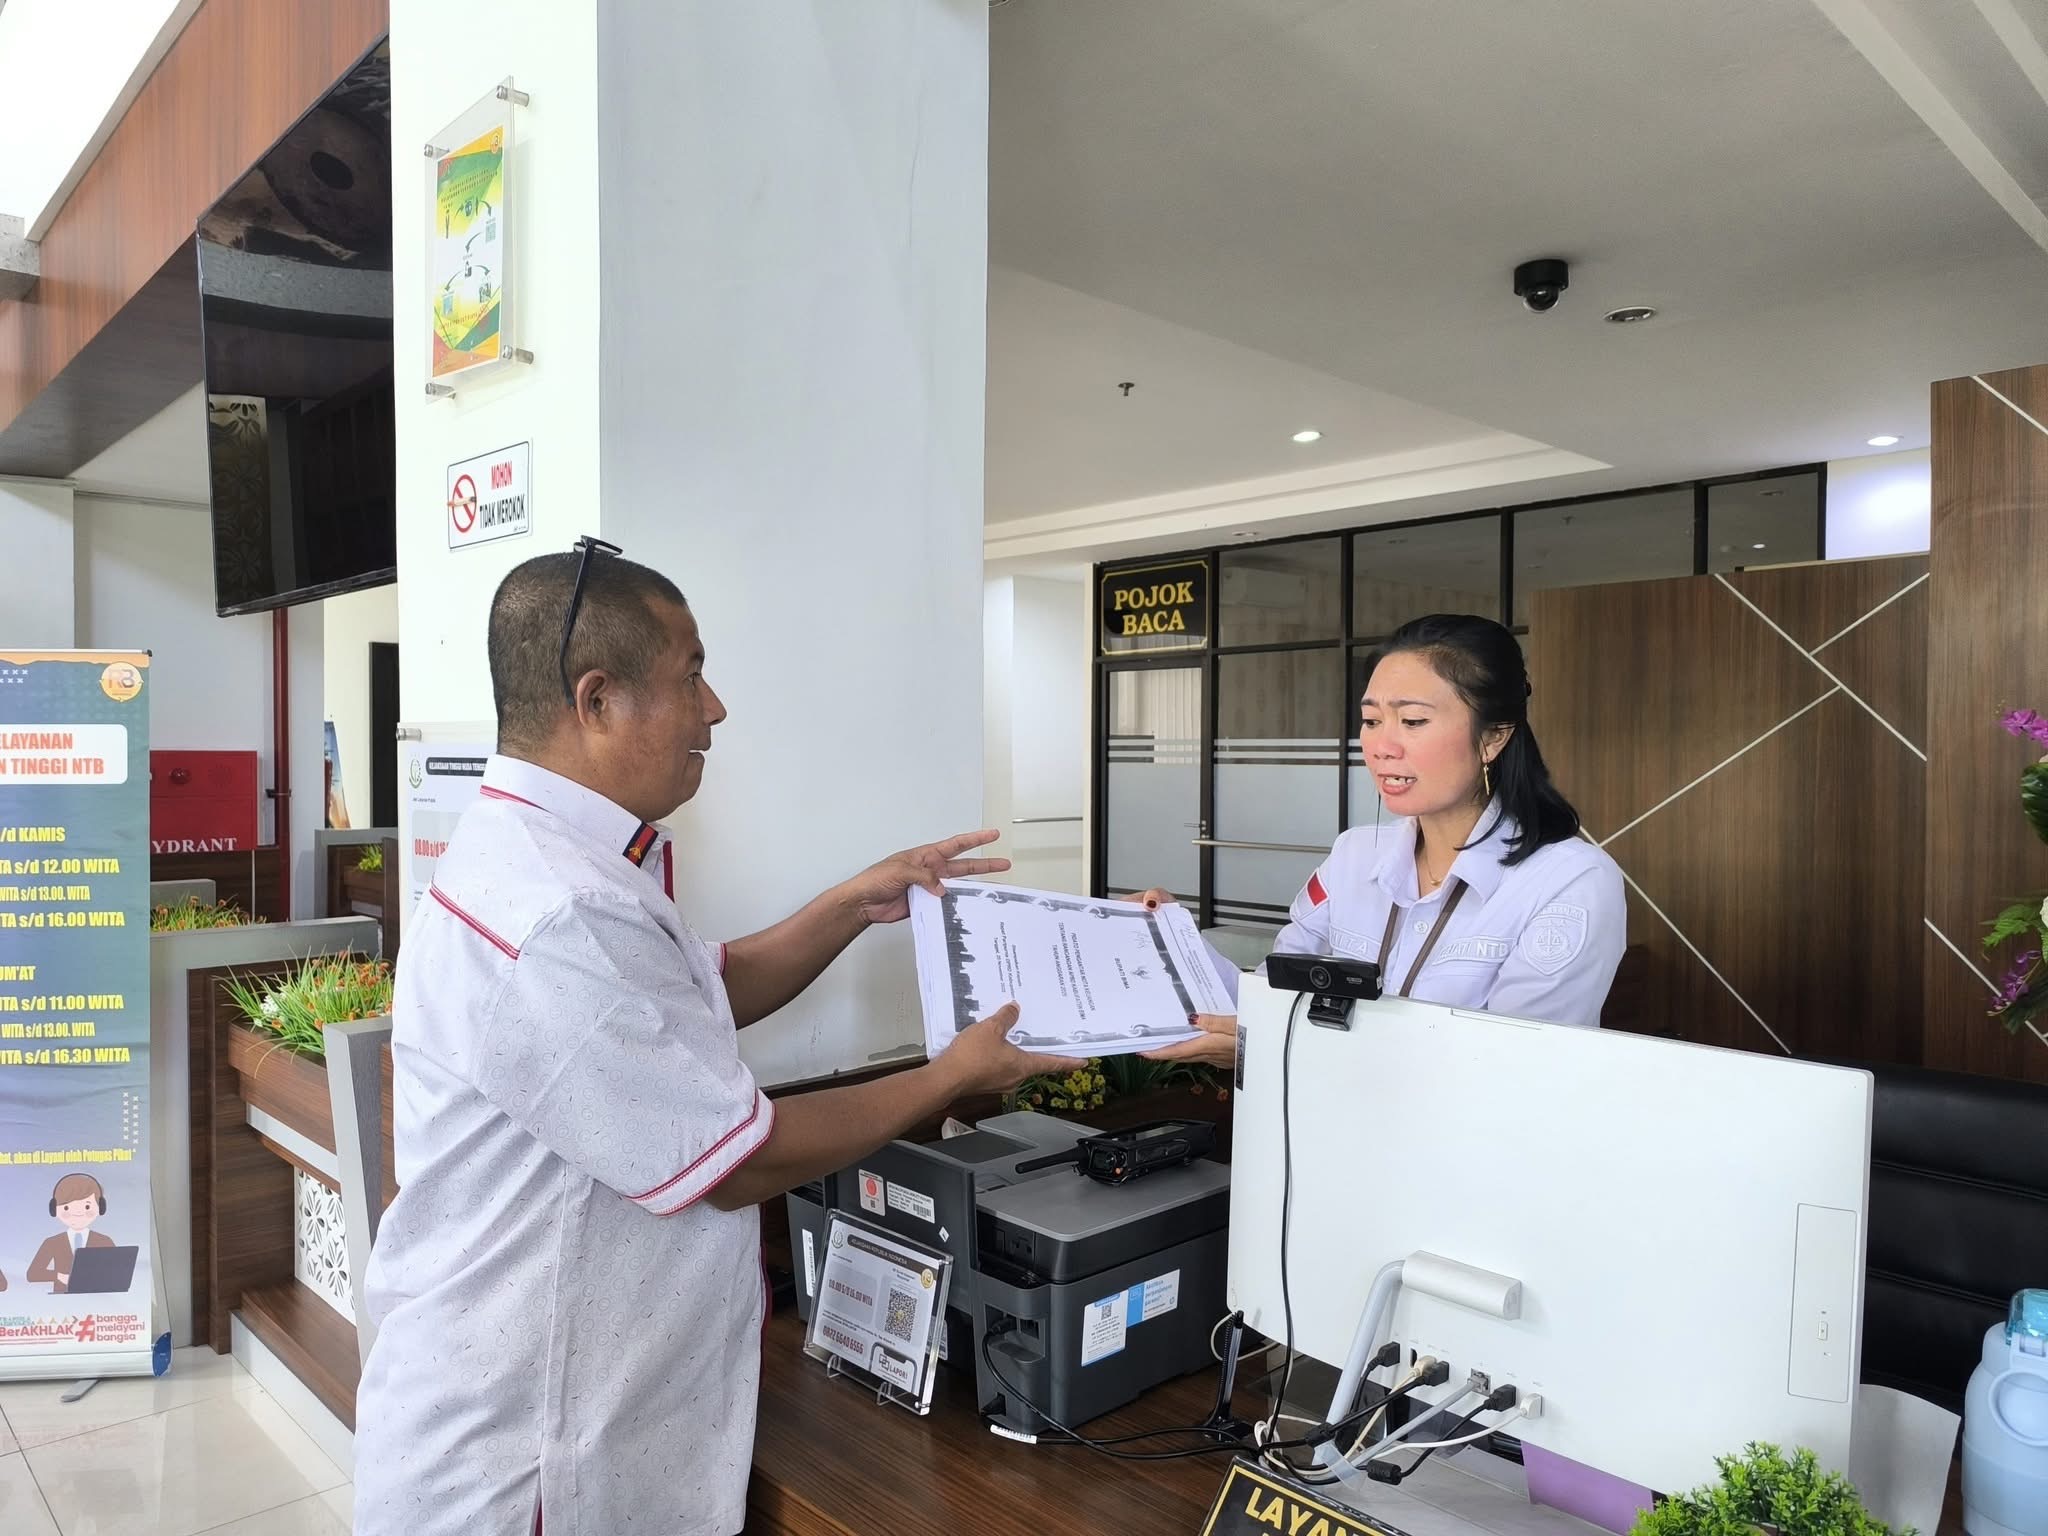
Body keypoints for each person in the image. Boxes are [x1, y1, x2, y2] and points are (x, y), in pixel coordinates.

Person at [353, 543, 1075, 1536]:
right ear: (597, 701)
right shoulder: (557, 910)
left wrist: (849, 905)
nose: (716, 708)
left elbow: (699, 992)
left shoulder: (545, 856)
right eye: (691, 675)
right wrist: (951, 1076)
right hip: (529, 1464)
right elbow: (737, 1162)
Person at [1140, 613, 1625, 1066]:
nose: (1380, 746)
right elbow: (1272, 996)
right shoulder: (1354, 855)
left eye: (1412, 721)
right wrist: (1174, 943)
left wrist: (1277, 1043)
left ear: (1493, 737)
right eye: (1372, 721)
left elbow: (1513, 1065)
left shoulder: (1570, 880)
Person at [27, 1173, 115, 1293]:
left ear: (100, 1207)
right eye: (67, 1208)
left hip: (96, 1298)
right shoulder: (52, 1243)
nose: (78, 1213)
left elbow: (116, 1272)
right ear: (54, 1210)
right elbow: (32, 1274)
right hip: (62, 1301)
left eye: (87, 1207)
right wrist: (58, 1276)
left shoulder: (104, 1241)